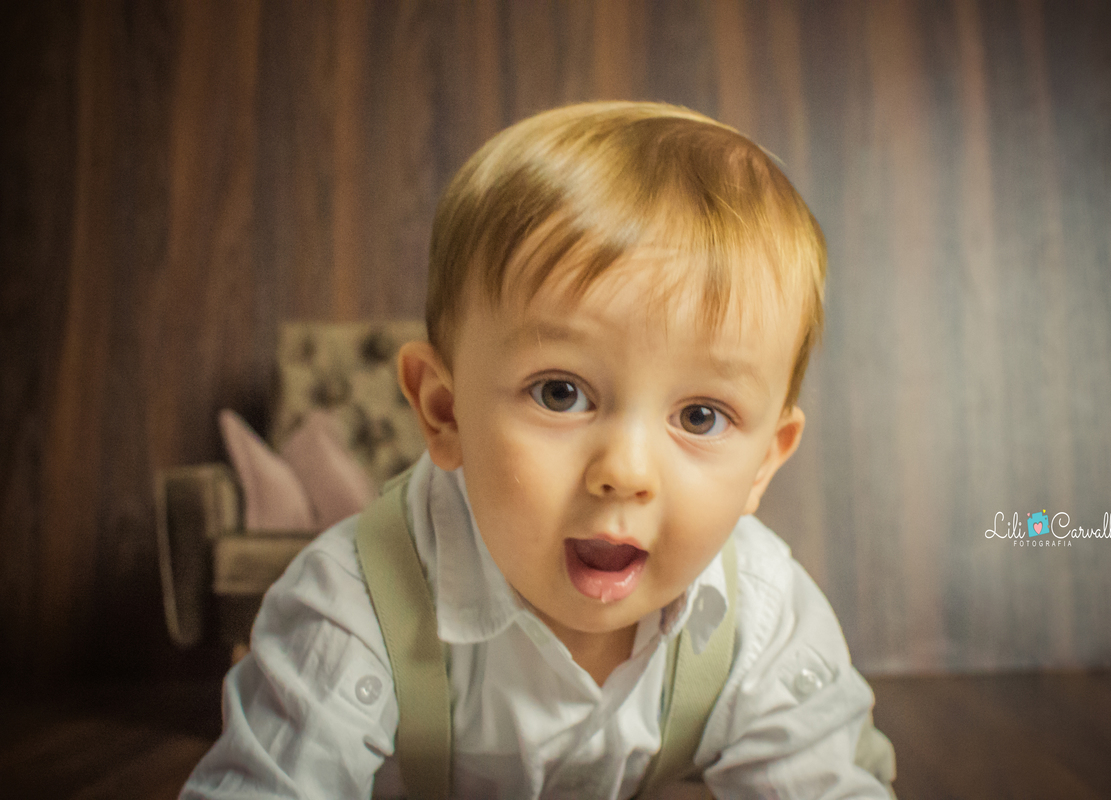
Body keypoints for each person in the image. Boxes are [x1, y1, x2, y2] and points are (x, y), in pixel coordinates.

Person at [182, 101, 893, 799]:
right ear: (444, 410)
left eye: (701, 415)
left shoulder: (763, 614)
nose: (625, 472)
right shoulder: (354, 605)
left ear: (766, 460)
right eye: (560, 393)